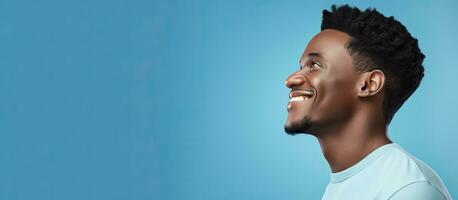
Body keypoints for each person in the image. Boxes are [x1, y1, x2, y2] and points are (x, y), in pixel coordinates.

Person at [284, 4, 452, 200]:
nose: (291, 79)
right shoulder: (346, 184)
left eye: (315, 65)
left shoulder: (409, 189)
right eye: (301, 66)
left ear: (369, 84)